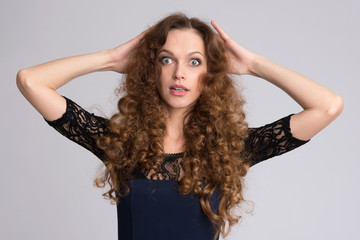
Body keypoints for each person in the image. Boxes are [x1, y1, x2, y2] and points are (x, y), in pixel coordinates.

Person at [16, 14, 343, 240]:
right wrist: (110, 59)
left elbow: (327, 106)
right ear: (152, 67)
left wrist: (253, 65)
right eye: (167, 59)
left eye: (195, 61)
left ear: (210, 73)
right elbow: (31, 81)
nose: (180, 73)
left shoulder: (230, 148)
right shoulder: (119, 143)